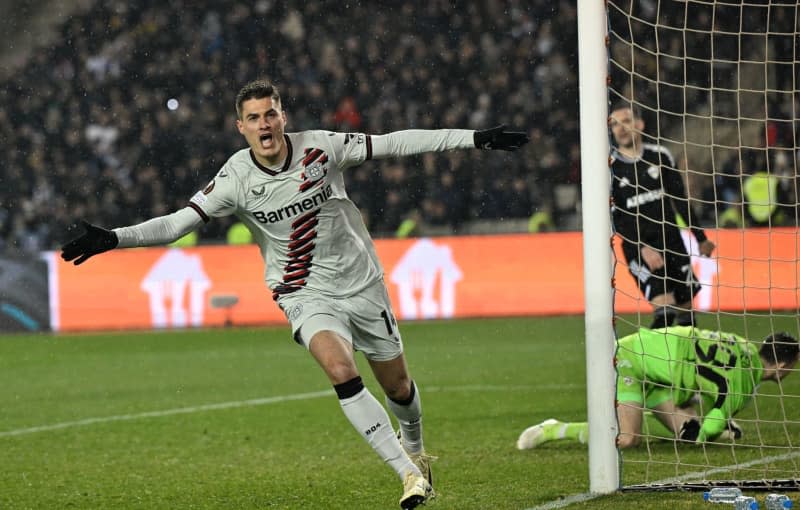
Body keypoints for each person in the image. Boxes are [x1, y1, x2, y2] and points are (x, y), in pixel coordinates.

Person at [60, 79, 529, 509]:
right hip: (303, 291)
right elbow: (174, 225)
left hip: (362, 283)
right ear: (240, 126)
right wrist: (113, 238)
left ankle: (415, 449)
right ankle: (408, 474)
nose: (264, 124)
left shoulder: (321, 148)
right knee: (341, 369)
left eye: (271, 114)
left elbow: (395, 143)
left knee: (399, 388)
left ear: (283, 117)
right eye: (254, 118)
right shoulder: (234, 179)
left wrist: (475, 138)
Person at [516, 326, 799, 449]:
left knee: (689, 433)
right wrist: (720, 422)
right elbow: (710, 429)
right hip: (631, 359)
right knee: (627, 439)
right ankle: (556, 429)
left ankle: (639, 407)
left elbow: (704, 372)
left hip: (662, 368)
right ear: (785, 366)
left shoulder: (744, 346)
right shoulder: (744, 386)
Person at [609, 103, 715, 329]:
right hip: (639, 249)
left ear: (640, 124)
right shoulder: (611, 168)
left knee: (686, 315)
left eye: (626, 121)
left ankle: (691, 364)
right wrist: (642, 248)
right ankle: (652, 363)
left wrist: (701, 237)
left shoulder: (660, 156)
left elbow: (680, 200)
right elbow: (615, 218)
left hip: (672, 242)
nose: (621, 129)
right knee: (664, 313)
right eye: (614, 124)